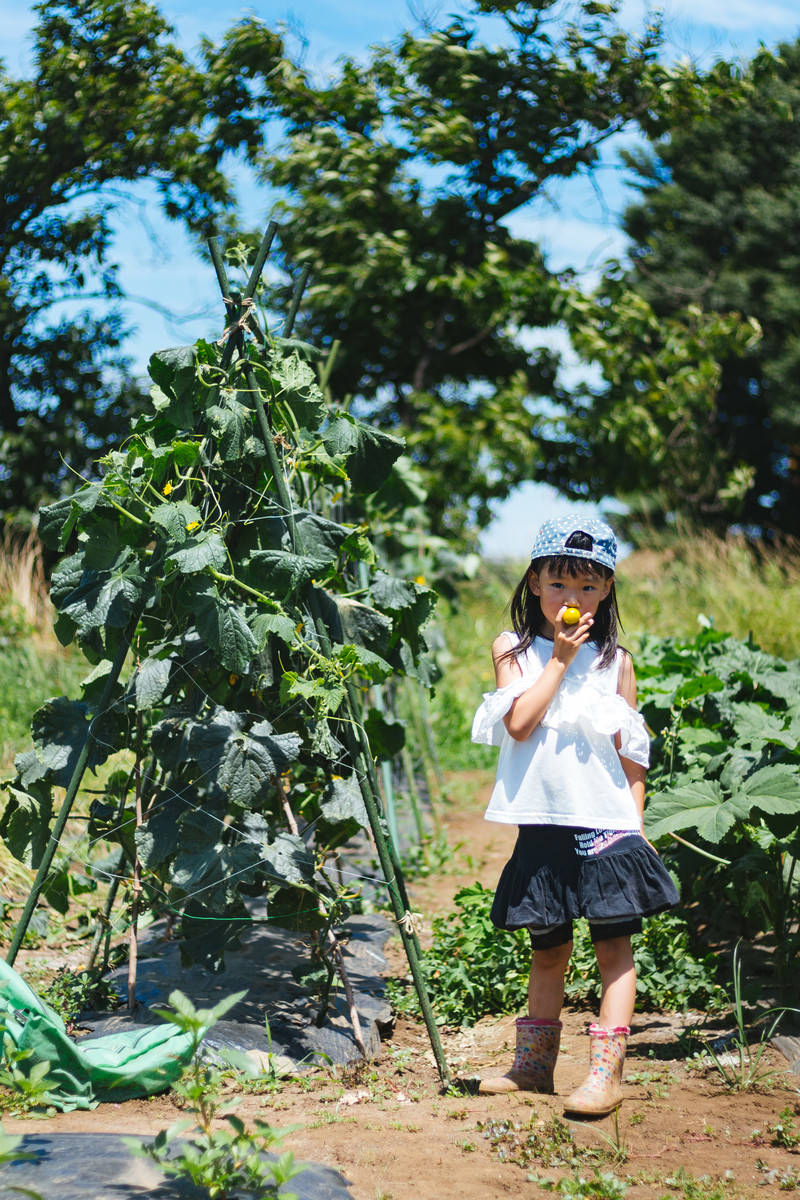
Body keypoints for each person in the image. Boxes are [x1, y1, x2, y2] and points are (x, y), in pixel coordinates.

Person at [470, 517, 678, 1116]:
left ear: (607, 589)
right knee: (549, 947)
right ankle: (533, 1069)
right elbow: (519, 723)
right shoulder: (512, 649)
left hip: (607, 822)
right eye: (560, 582)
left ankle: (605, 1077)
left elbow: (630, 753)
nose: (573, 598)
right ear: (535, 582)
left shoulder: (617, 662)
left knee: (614, 948)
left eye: (588, 586)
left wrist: (636, 824)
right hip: (542, 821)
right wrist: (559, 660)